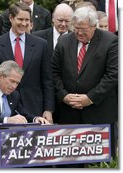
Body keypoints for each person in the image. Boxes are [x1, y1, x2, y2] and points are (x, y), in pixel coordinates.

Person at [52, 6, 118, 164]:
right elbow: (54, 72)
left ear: (94, 26)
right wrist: (63, 95)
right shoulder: (64, 41)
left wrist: (90, 98)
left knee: (98, 163)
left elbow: (113, 75)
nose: (79, 33)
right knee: (69, 163)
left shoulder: (111, 41)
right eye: (76, 29)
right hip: (69, 116)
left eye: (84, 29)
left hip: (98, 114)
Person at [0, 2, 54, 123]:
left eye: (27, 20)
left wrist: (48, 109)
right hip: (4, 109)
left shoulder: (41, 45)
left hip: (34, 108)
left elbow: (47, 80)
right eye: (20, 19)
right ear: (11, 18)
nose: (24, 23)